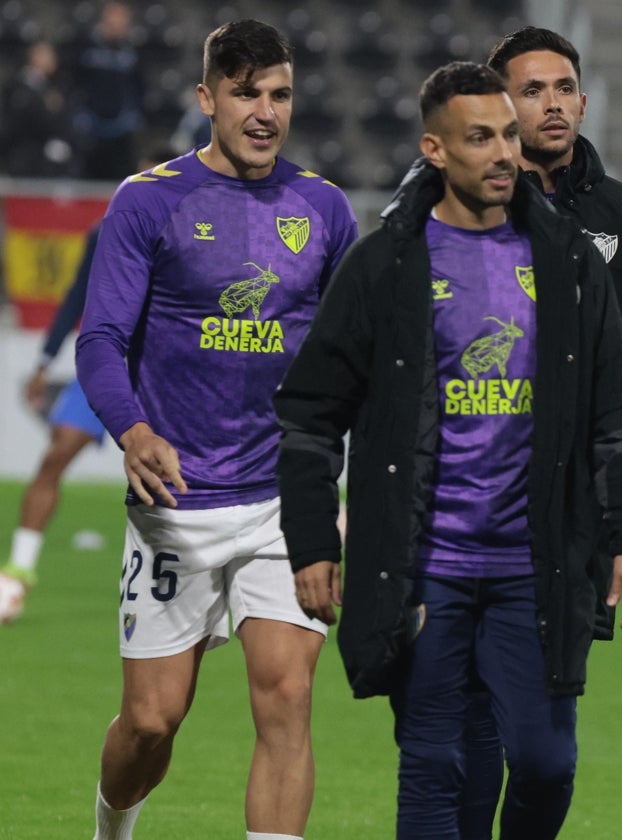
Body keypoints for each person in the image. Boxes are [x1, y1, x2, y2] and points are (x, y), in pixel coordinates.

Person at [273, 61, 622, 839]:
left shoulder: (569, 263)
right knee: (433, 764)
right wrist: (313, 541)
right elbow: (311, 414)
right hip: (424, 568)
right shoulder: (385, 266)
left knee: (547, 764)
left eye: (509, 135)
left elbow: (617, 409)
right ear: (435, 149)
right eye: (479, 138)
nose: (503, 154)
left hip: (533, 567)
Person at [76, 19, 358, 840]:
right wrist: (131, 428)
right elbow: (100, 341)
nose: (265, 113)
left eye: (279, 95)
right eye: (245, 94)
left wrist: (344, 489)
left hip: (282, 500)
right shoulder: (148, 200)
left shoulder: (325, 209)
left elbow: (353, 358)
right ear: (207, 98)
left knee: (288, 700)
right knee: (152, 722)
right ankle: (110, 831)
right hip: (175, 500)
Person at [434, 26, 622, 833]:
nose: (552, 103)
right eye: (532, 89)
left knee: (546, 758)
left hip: (572, 526)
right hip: (460, 513)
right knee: (463, 735)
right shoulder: (444, 214)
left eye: (564, 87)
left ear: (583, 101)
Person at [2, 149, 175, 624]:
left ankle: (180, 590)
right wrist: (44, 360)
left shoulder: (198, 235)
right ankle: (16, 575)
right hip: (107, 366)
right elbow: (76, 297)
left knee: (175, 480)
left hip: (167, 374)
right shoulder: (107, 231)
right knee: (55, 456)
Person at [70, 1, 143, 181]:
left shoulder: (133, 53)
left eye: (121, 18)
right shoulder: (85, 47)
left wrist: (132, 117)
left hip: (121, 131)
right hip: (91, 130)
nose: (116, 22)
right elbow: (75, 83)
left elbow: (140, 88)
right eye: (113, 16)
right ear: (104, 18)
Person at [0, 39, 74, 177]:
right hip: (21, 157)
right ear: (34, 56)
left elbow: (62, 121)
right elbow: (17, 123)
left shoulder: (55, 88)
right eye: (47, 55)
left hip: (46, 162)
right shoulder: (16, 86)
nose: (53, 60)